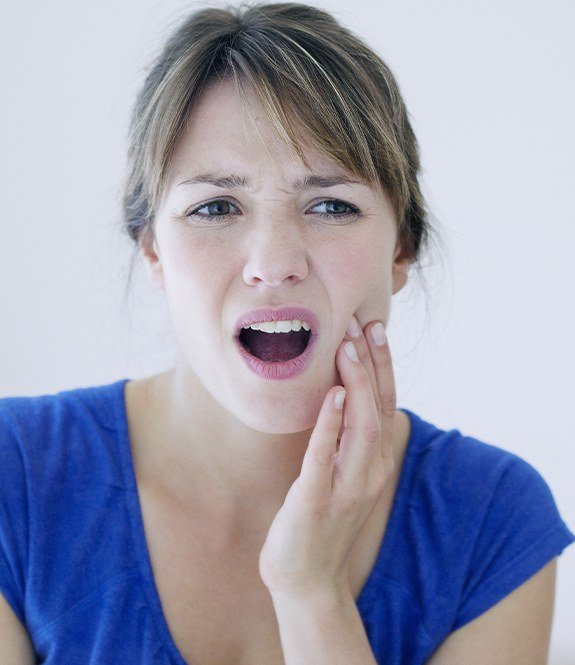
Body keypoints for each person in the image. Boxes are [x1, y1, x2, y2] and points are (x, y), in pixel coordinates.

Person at [1, 2, 573, 663]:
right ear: (152, 249)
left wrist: (312, 590)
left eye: (331, 205)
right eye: (215, 207)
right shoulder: (16, 475)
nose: (273, 264)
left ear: (401, 251)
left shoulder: (493, 522)